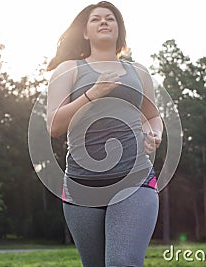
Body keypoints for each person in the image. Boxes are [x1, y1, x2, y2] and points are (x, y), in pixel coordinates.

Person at [46, 1, 163, 266]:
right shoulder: (69, 70)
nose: (103, 22)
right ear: (85, 32)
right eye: (95, 19)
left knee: (121, 262)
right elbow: (54, 126)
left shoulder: (138, 73)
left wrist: (155, 133)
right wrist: (92, 93)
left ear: (119, 30)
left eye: (110, 18)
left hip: (135, 178)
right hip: (81, 185)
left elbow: (153, 116)